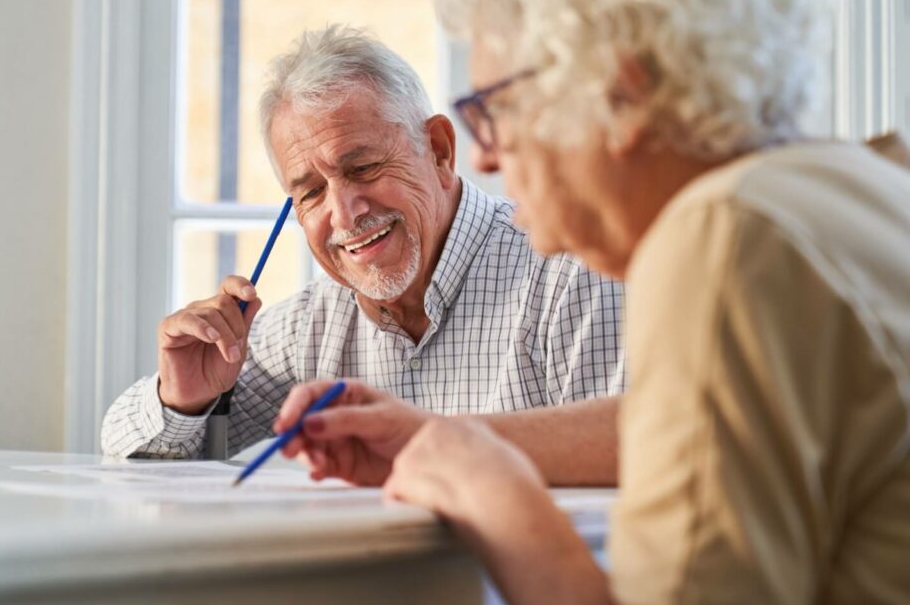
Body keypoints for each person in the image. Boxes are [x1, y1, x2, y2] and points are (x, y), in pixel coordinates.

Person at [276, 0, 910, 605]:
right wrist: (440, 439)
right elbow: (694, 434)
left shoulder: (721, 237)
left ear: (621, 95)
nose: (486, 161)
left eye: (497, 110)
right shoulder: (861, 185)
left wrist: (494, 496)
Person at [101, 25, 624, 481]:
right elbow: (121, 449)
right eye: (310, 192)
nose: (345, 214)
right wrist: (182, 400)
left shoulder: (571, 276)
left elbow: (636, 461)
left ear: (439, 150)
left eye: (363, 168)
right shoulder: (314, 324)